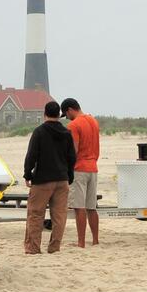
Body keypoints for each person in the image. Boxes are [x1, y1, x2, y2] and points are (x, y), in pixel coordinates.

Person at [23, 101, 76, 254]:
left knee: (35, 214)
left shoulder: (39, 132)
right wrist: (69, 176)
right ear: (59, 114)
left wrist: (28, 174)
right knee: (59, 216)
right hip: (62, 179)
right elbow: (71, 157)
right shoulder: (67, 133)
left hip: (43, 180)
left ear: (44, 113)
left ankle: (33, 248)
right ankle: (54, 247)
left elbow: (31, 156)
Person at [61, 97, 101, 247]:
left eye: (66, 114)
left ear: (70, 109)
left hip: (79, 169)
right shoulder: (93, 121)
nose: (67, 118)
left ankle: (81, 242)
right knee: (92, 207)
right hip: (93, 167)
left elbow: (74, 150)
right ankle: (95, 240)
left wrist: (66, 166)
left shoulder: (74, 125)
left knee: (79, 207)